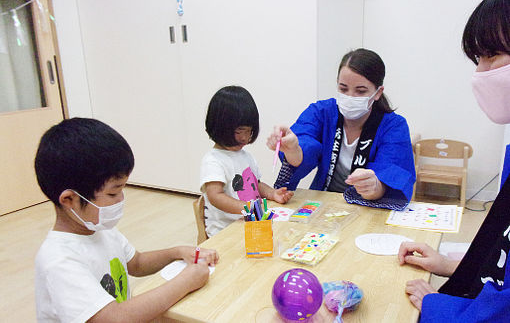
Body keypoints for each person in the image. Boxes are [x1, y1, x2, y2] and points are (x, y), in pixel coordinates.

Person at [34, 118, 219, 322]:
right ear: (70, 199)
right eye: (113, 194)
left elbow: (136, 263)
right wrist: (186, 281)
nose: (121, 199)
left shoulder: (98, 229)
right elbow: (113, 318)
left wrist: (177, 252)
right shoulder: (58, 260)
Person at [398, 0, 510, 321]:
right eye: (478, 59)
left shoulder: (392, 123)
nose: (480, 72)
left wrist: (440, 307)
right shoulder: (325, 112)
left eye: (491, 55)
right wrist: (451, 265)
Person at [267, 48, 415, 204]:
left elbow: (393, 172)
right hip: (325, 202)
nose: (350, 96)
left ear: (378, 92)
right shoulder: (322, 112)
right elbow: (306, 144)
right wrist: (293, 150)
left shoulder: (394, 126)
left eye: (361, 91)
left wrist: (375, 186)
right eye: (343, 89)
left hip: (368, 206)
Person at [200, 86, 294, 237]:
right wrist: (247, 207)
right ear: (219, 126)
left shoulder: (245, 156)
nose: (244, 138)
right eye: (239, 131)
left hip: (250, 225)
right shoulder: (213, 160)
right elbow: (215, 196)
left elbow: (256, 185)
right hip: (224, 232)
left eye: (248, 131)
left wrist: (272, 193)